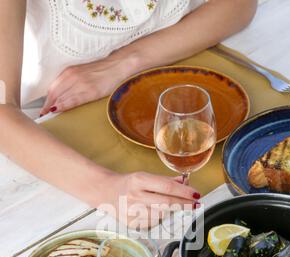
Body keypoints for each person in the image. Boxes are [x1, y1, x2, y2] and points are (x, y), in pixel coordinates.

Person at [0, 0, 257, 227]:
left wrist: (123, 63)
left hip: (180, 82)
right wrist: (107, 188)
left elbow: (239, 5)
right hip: (53, 147)